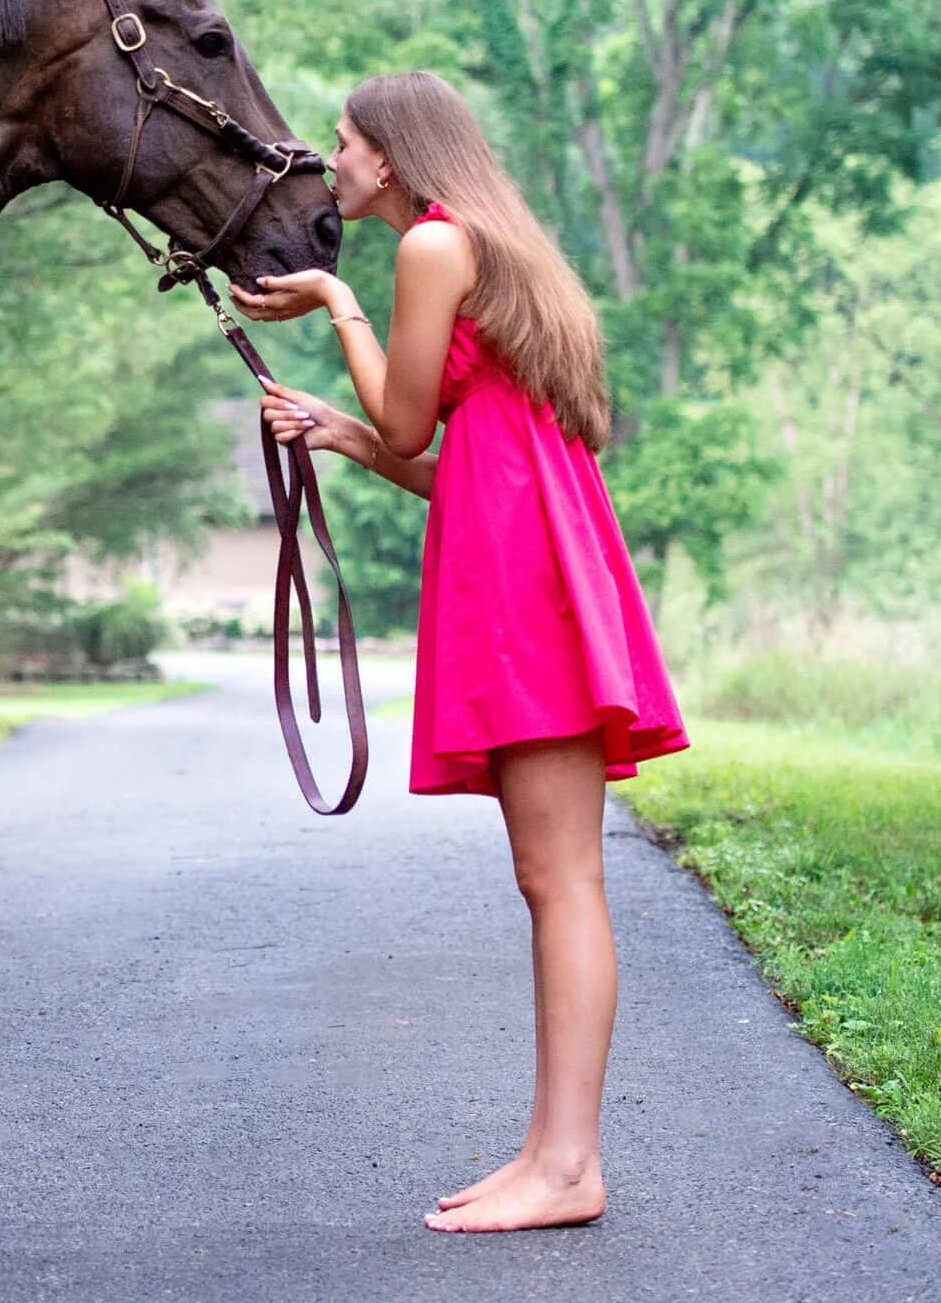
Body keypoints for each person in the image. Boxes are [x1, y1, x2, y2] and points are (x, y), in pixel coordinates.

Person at [230, 70, 687, 1234]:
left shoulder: (434, 246)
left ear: (390, 154)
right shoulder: (482, 244)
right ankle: (549, 1150)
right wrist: (337, 433)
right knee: (553, 876)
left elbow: (407, 422)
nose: (329, 161)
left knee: (560, 877)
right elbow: (457, 461)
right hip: (533, 555)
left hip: (522, 583)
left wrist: (336, 299)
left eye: (341, 143)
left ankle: (570, 1164)